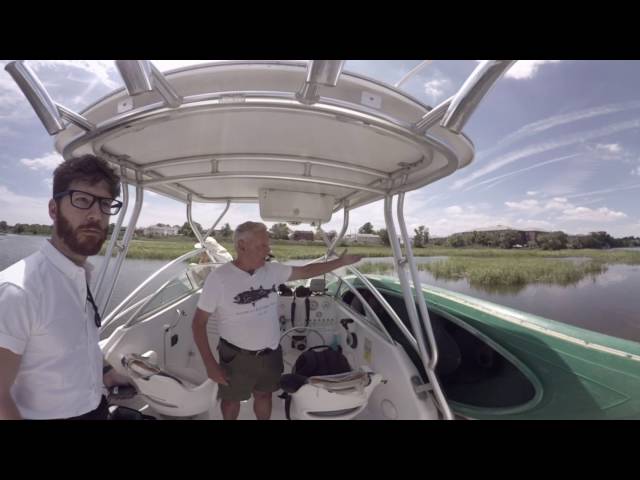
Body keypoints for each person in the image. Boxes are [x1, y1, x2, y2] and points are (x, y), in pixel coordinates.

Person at [0, 154, 128, 420]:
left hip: (96, 408)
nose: (95, 214)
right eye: (82, 200)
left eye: (105, 204)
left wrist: (107, 373)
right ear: (53, 209)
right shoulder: (18, 290)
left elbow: (78, 345)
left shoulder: (79, 276)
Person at [192, 221, 362, 420]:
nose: (268, 249)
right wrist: (210, 364)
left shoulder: (272, 271)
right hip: (236, 357)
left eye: (267, 244)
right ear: (241, 246)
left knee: (264, 395)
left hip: (271, 353)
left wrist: (340, 262)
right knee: (231, 400)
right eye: (262, 245)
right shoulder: (219, 278)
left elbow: (307, 271)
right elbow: (198, 323)